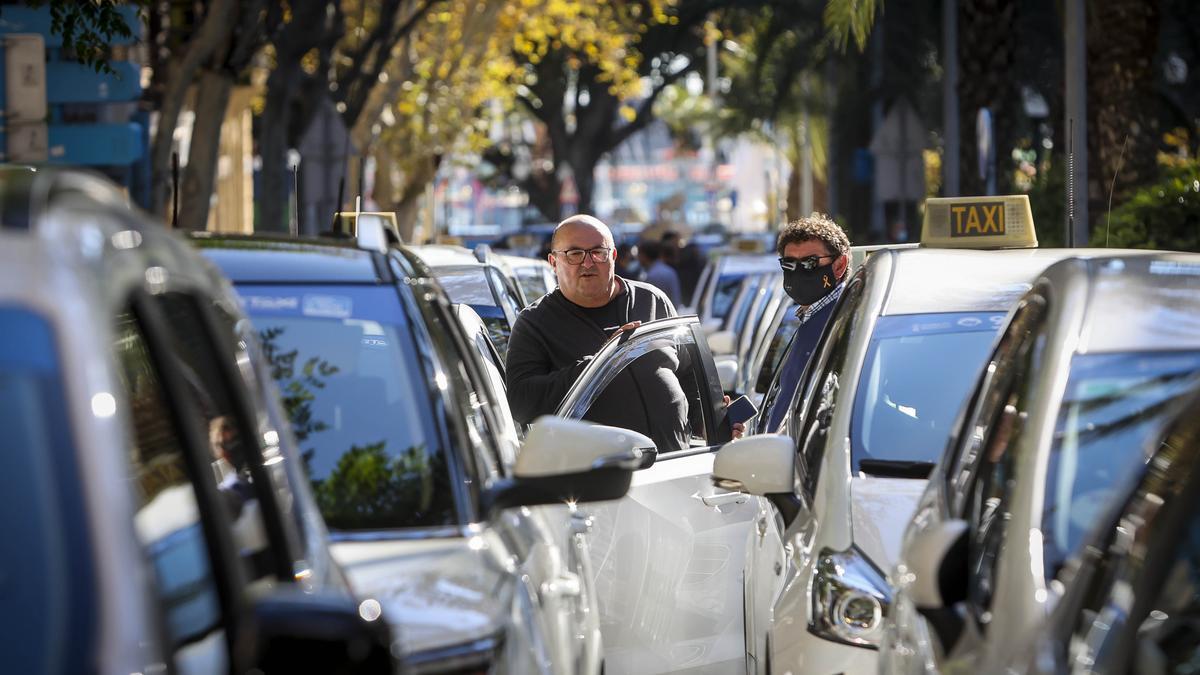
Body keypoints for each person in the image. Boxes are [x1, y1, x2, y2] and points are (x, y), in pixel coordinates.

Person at [505, 215, 741, 452]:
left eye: (598, 252)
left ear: (614, 256)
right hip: (597, 479)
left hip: (675, 467)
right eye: (574, 254)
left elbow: (688, 375)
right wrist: (605, 359)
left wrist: (712, 421)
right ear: (554, 262)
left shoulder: (652, 300)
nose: (587, 263)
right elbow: (522, 404)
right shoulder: (534, 323)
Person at [764, 213, 852, 432]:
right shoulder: (812, 317)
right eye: (789, 264)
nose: (800, 272)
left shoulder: (843, 321)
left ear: (840, 265)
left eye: (811, 263)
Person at [636, 240, 683, 306]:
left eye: (639, 254)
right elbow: (676, 299)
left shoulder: (651, 276)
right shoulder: (670, 271)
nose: (638, 258)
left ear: (644, 255)